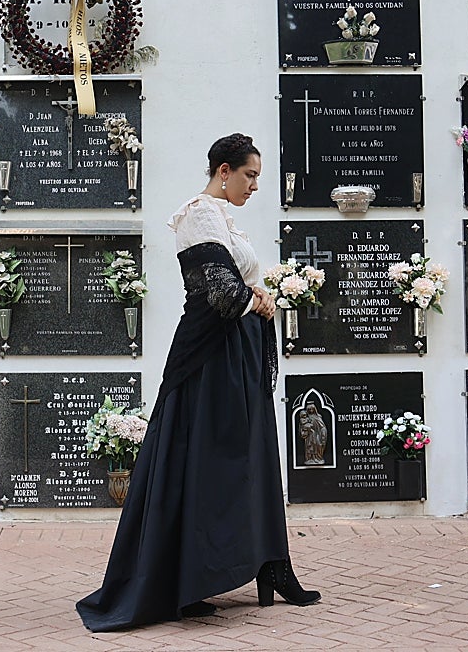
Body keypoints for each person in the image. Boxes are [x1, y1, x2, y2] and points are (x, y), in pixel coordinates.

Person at [76, 133, 320, 632]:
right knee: (211, 465)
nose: (254, 186)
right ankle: (190, 579)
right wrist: (258, 298)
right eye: (249, 175)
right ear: (223, 170)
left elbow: (237, 284)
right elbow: (221, 294)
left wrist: (257, 294)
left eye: (257, 177)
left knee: (251, 460)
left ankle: (270, 566)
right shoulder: (200, 213)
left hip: (237, 354)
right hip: (211, 361)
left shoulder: (223, 217)